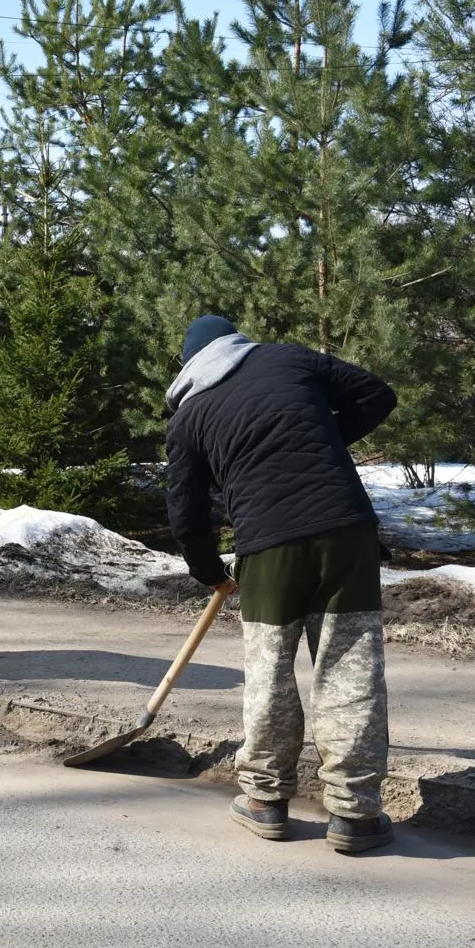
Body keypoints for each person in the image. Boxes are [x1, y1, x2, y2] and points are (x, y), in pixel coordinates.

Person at [164, 315, 398, 853]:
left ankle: (265, 801)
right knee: (350, 669)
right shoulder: (287, 358)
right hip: (345, 531)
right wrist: (318, 437)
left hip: (268, 547)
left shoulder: (189, 415)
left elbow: (186, 511)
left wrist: (206, 569)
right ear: (236, 342)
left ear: (188, 364)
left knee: (269, 673)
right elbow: (377, 395)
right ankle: (356, 814)